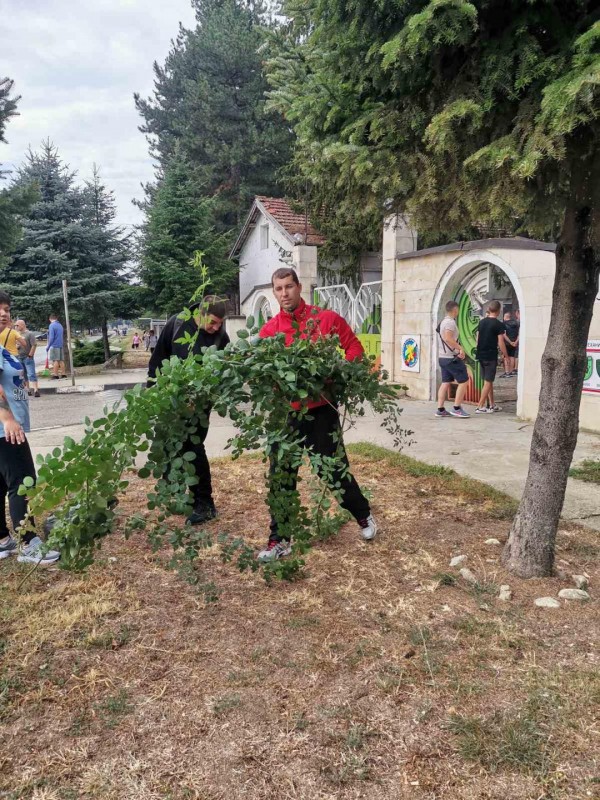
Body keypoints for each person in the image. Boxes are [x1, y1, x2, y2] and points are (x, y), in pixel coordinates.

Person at [256, 267, 377, 563]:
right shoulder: (269, 332)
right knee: (281, 476)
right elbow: (260, 373)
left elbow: (354, 349)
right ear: (274, 292)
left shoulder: (325, 320)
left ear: (299, 287)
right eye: (279, 289)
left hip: (321, 411)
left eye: (289, 287)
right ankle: (279, 540)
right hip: (285, 416)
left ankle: (364, 516)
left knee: (333, 469)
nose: (284, 293)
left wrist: (335, 375)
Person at [148, 297, 230, 525]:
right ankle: (175, 491)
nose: (217, 327)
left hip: (199, 406)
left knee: (193, 448)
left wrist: (206, 396)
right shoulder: (177, 324)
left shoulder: (220, 336)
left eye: (220, 323)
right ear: (200, 313)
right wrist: (153, 394)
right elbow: (157, 362)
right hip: (170, 402)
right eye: (213, 322)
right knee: (169, 446)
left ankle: (204, 504)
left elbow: (226, 371)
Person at [0, 294, 60, 564]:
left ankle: (3, 541)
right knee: (23, 482)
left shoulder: (5, 342)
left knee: (2, 482)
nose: (4, 314)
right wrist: (7, 417)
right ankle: (28, 544)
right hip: (6, 428)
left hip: (8, 424)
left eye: (6, 310)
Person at [435, 300, 470, 418]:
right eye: (458, 310)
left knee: (445, 382)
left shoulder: (443, 322)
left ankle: (440, 409)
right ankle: (457, 408)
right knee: (464, 380)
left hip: (443, 357)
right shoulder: (450, 323)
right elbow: (448, 338)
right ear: (455, 310)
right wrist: (460, 349)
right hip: (451, 358)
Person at [475, 300, 508, 414]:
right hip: (490, 355)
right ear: (499, 311)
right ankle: (480, 406)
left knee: (488, 380)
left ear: (489, 309)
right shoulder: (498, 324)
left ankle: (492, 405)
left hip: (481, 354)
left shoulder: (482, 322)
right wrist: (506, 355)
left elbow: (477, 339)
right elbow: (501, 342)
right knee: (488, 380)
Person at [14, 319, 40, 397]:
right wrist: (17, 347)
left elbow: (34, 345)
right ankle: (28, 390)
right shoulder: (16, 334)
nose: (16, 327)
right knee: (23, 374)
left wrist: (30, 355)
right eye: (15, 325)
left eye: (17, 325)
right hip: (19, 357)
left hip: (27, 357)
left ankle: (36, 390)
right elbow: (14, 346)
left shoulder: (29, 334)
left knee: (31, 373)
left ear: (22, 325)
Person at [0, 292, 26, 356]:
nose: (4, 314)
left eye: (6, 310)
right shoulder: (14, 332)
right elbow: (24, 343)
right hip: (13, 355)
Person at [46, 313, 66, 379]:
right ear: (56, 319)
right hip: (60, 345)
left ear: (50, 319)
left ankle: (55, 375)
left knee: (55, 360)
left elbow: (51, 337)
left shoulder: (52, 325)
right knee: (61, 360)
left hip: (54, 345)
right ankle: (63, 374)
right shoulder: (60, 325)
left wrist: (48, 346)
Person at [501, 311, 519, 378]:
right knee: (512, 357)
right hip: (514, 343)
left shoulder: (503, 324)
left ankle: (507, 372)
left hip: (507, 343)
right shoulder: (516, 323)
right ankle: (511, 371)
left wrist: (510, 342)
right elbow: (518, 334)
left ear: (505, 317)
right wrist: (515, 342)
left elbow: (504, 335)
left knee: (506, 357)